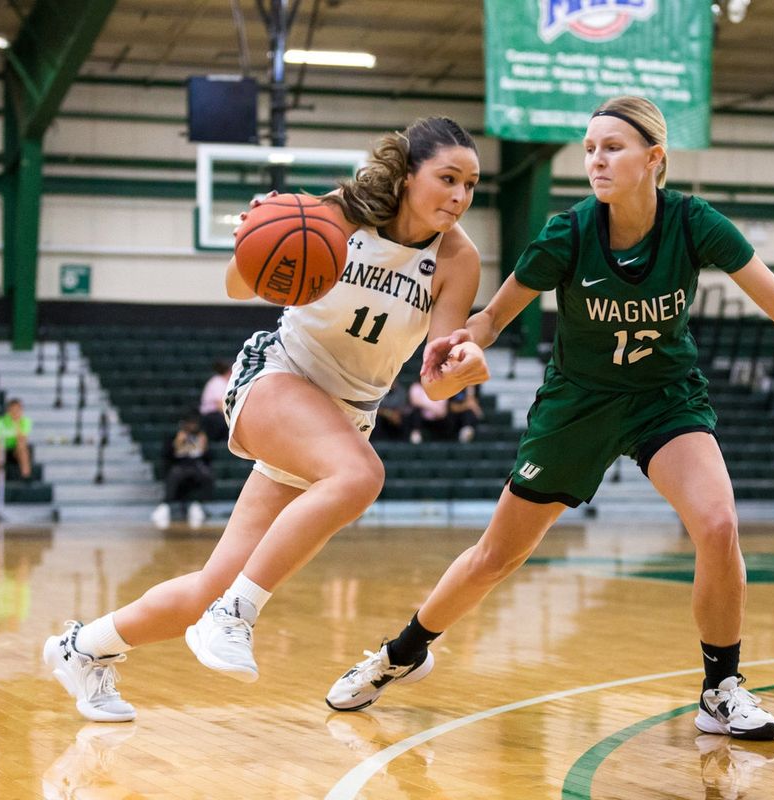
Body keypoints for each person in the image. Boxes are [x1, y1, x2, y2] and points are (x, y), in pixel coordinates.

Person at [326, 96, 774, 741]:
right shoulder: (569, 232)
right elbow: (492, 317)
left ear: (654, 158)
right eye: (589, 149)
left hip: (664, 398)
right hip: (577, 405)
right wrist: (467, 345)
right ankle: (402, 653)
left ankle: (721, 687)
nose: (596, 160)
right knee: (497, 557)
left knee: (718, 522)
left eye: (611, 147)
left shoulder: (695, 223)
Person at [42, 116, 489, 723]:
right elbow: (236, 286)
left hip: (341, 419)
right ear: (408, 176)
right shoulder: (338, 213)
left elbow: (434, 376)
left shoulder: (459, 260)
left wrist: (459, 367)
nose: (460, 197)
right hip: (278, 378)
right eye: (448, 179)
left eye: (471, 185)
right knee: (360, 478)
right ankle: (238, 615)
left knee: (206, 589)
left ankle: (81, 648)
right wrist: (253, 239)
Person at [150, 413, 214, 530]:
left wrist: (204, 448)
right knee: (175, 475)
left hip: (196, 467)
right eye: (190, 423)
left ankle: (198, 505)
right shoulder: (174, 436)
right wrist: (176, 444)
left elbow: (209, 459)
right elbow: (166, 457)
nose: (192, 426)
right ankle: (165, 506)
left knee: (206, 475)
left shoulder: (202, 437)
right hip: (179, 467)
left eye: (194, 423)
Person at [0, 398, 33, 481]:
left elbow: (23, 439)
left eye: (18, 410)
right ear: (8, 410)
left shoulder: (25, 421)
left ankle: (26, 476)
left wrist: (16, 424)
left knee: (22, 448)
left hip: (16, 451)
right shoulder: (0, 422)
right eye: (13, 410)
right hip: (2, 449)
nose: (15, 412)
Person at [405, 379, 451, 444]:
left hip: (437, 419)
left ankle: (445, 441)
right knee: (415, 412)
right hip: (422, 419)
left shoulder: (441, 388)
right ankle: (416, 435)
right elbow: (415, 402)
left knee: (449, 417)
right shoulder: (416, 387)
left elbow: (442, 412)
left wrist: (426, 405)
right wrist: (432, 406)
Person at [199, 360, 232, 442]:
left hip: (217, 415)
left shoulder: (224, 382)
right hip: (211, 417)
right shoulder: (218, 381)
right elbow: (220, 405)